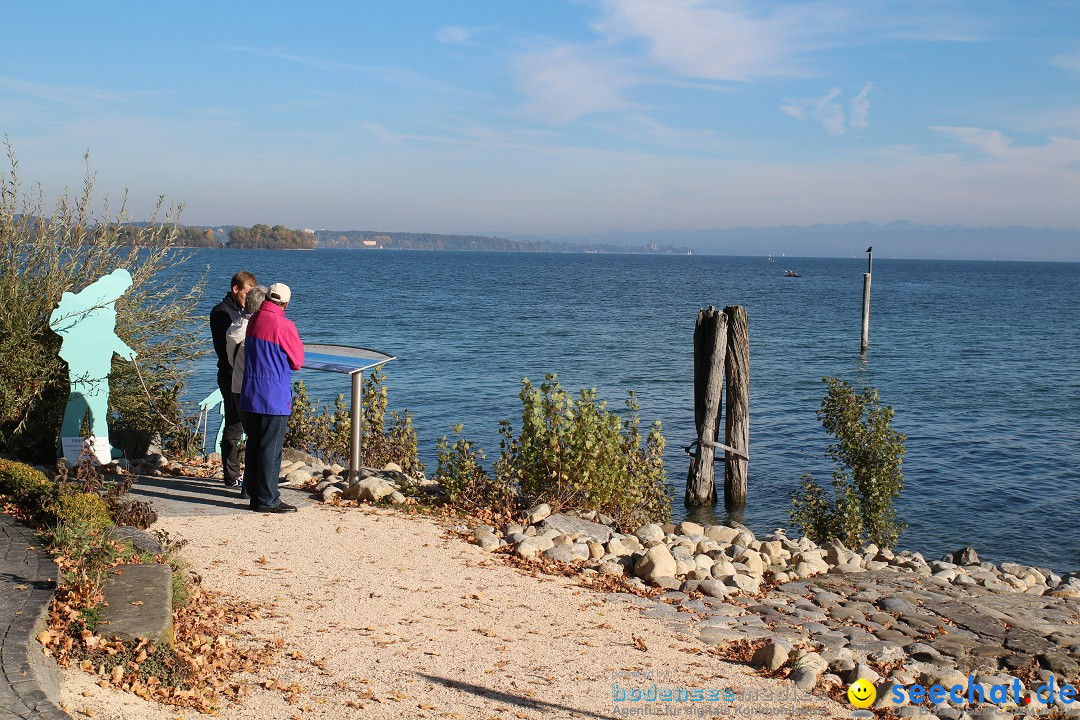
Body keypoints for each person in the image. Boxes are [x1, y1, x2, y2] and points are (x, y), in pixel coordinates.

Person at [238, 283, 304, 513]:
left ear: (266, 297)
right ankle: (268, 499)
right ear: (286, 303)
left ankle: (255, 495)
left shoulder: (254, 320)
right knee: (271, 448)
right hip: (273, 395)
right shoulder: (284, 325)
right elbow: (297, 360)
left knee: (255, 445)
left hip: (250, 391)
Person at [210, 271, 257, 487]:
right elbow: (226, 348)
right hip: (229, 375)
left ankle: (239, 472)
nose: (248, 300)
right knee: (234, 424)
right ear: (236, 289)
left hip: (241, 373)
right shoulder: (221, 312)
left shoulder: (239, 310)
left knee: (239, 423)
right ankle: (231, 474)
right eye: (246, 294)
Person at [225, 284, 267, 499]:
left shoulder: (234, 326)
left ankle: (248, 485)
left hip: (236, 385)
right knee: (259, 438)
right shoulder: (253, 332)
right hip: (252, 388)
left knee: (250, 436)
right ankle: (253, 486)